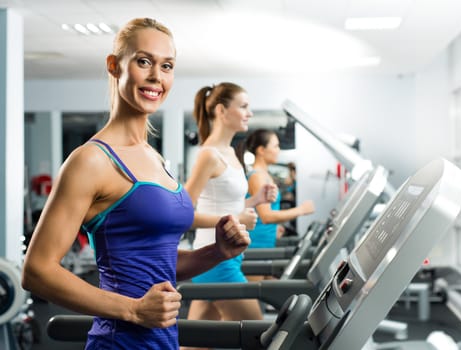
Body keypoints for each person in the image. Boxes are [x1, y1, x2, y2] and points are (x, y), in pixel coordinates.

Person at [21, 18, 251, 350]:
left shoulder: (153, 158)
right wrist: (133, 309)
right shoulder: (91, 160)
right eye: (144, 61)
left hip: (162, 338)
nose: (157, 76)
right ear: (115, 66)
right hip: (119, 341)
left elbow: (158, 261)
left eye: (167, 65)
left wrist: (216, 252)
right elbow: (37, 271)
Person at [183, 83, 277, 335]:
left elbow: (226, 205)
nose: (250, 113)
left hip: (226, 257)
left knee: (194, 344)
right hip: (216, 259)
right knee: (260, 337)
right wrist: (238, 218)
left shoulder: (231, 154)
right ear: (222, 111)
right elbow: (182, 215)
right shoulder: (209, 155)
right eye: (244, 106)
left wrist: (255, 199)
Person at [238, 129, 315, 281]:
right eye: (275, 146)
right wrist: (301, 210)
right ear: (261, 150)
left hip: (266, 244)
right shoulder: (258, 177)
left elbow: (264, 213)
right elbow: (266, 216)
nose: (278, 150)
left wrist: (275, 228)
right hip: (255, 247)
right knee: (254, 301)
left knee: (274, 294)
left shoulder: (264, 175)